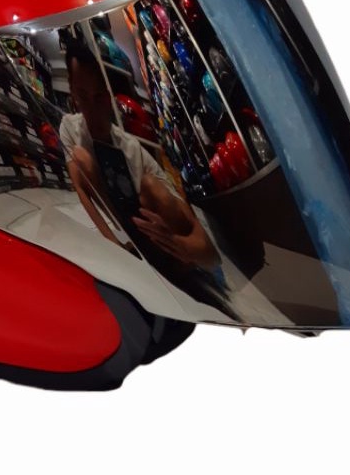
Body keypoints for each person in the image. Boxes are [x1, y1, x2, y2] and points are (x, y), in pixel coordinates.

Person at [58, 40, 230, 311]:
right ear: (72, 91)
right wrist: (114, 244)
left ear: (110, 96)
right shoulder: (70, 127)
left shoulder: (133, 150)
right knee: (82, 159)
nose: (91, 108)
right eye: (82, 95)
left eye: (99, 96)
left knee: (152, 187)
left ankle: (179, 270)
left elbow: (209, 252)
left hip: (161, 250)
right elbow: (81, 187)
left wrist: (178, 244)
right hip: (126, 242)